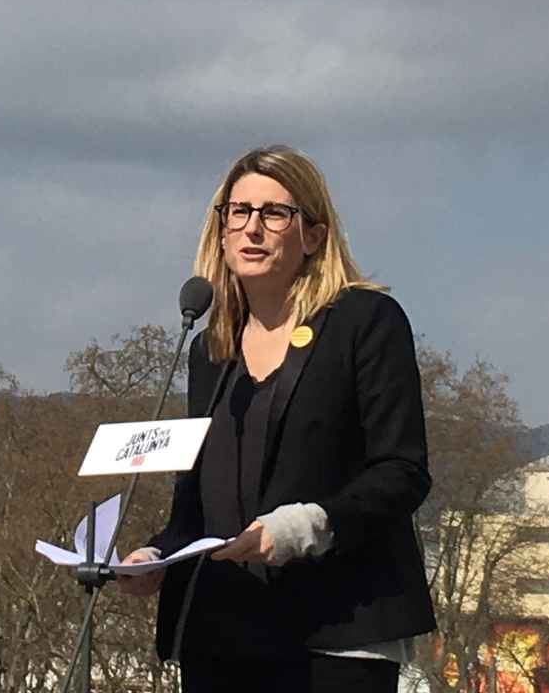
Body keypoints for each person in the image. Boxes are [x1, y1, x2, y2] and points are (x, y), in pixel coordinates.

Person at [117, 146, 435, 692]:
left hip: (337, 631)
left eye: (274, 213)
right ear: (220, 231)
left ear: (312, 235)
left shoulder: (365, 321)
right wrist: (153, 556)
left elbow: (402, 470)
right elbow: (196, 507)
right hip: (220, 633)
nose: (252, 229)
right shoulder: (209, 350)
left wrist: (304, 526)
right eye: (237, 212)